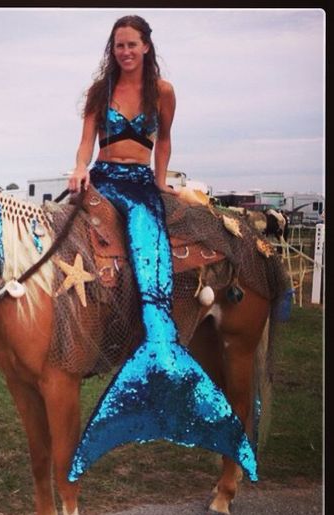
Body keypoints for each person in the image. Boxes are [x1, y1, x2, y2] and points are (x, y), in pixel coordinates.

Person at [66, 15, 258, 483]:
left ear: (147, 47)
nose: (124, 52)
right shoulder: (99, 90)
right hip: (105, 179)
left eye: (131, 45)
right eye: (117, 46)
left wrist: (158, 183)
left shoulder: (163, 92)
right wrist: (78, 168)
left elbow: (164, 139)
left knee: (154, 276)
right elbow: (86, 143)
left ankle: (161, 361)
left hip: (141, 187)